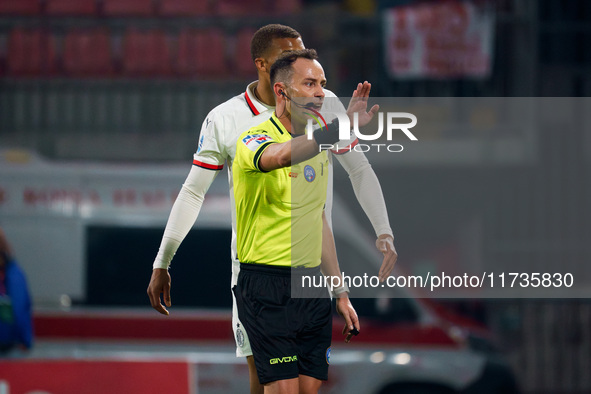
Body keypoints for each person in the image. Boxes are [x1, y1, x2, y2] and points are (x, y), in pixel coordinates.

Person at [146, 24, 397, 394]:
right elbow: (193, 193)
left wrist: (383, 231)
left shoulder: (325, 106)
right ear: (264, 66)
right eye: (288, 57)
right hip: (259, 270)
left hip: (313, 263)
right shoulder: (230, 120)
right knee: (267, 384)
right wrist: (162, 261)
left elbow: (358, 170)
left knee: (306, 388)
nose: (300, 63)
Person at [232, 48, 376, 394]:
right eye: (309, 83)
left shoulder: (319, 149)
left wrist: (339, 292)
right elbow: (280, 156)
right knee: (284, 391)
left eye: (322, 84)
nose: (320, 93)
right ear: (281, 92)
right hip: (267, 284)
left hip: (311, 286)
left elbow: (318, 220)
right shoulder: (253, 138)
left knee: (308, 391)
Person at [0, 227, 33, 353]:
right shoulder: (15, 273)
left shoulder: (14, 275)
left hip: (11, 343)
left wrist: (24, 340)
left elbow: (20, 309)